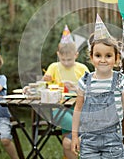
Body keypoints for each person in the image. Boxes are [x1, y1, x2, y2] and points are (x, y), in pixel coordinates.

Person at [65, 14, 124, 158]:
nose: (103, 60)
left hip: (113, 140)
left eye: (108, 56)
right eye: (98, 55)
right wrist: (74, 136)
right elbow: (78, 109)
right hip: (89, 140)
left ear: (116, 58)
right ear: (91, 58)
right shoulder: (84, 81)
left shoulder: (120, 80)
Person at [42, 25, 90, 159]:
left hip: (79, 106)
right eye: (63, 60)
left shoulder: (82, 68)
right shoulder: (53, 67)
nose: (66, 62)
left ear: (76, 55)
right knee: (66, 122)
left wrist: (76, 86)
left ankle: (71, 152)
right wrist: (45, 80)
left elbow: (90, 87)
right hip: (59, 106)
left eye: (70, 60)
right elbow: (44, 86)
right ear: (58, 55)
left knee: (68, 132)